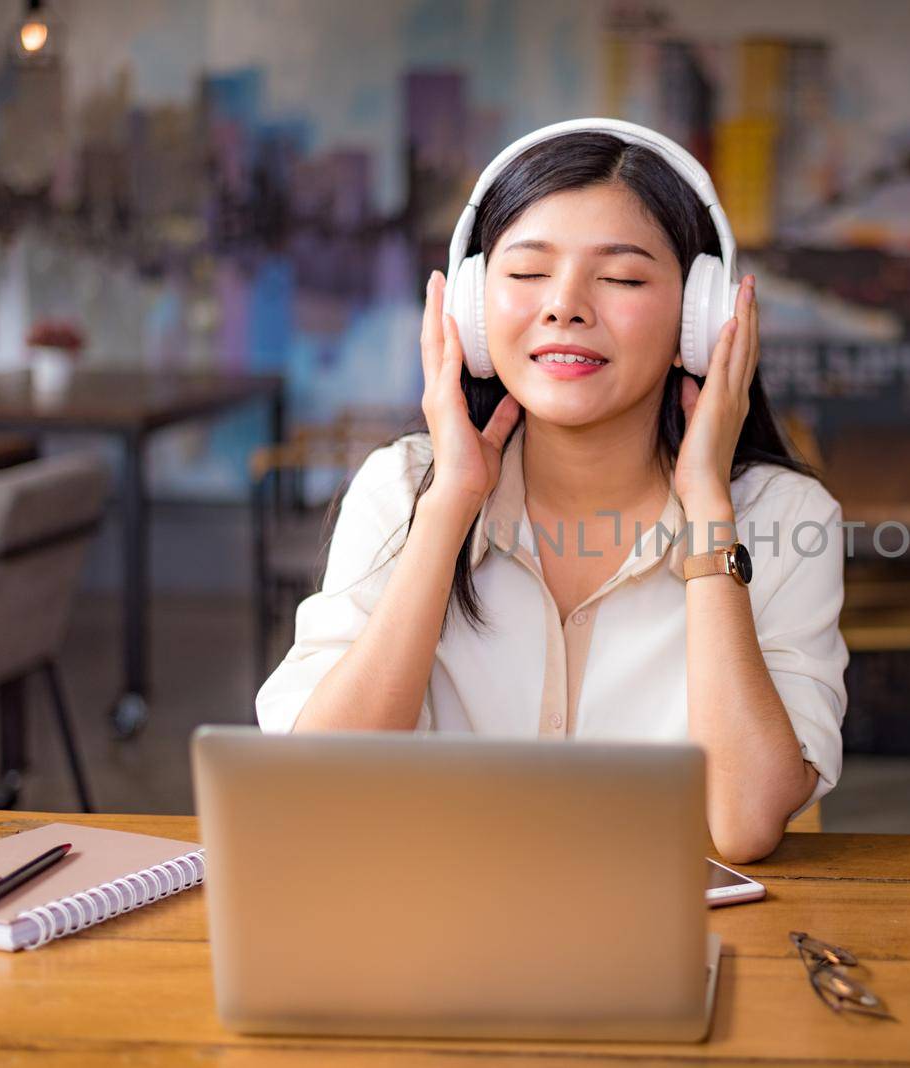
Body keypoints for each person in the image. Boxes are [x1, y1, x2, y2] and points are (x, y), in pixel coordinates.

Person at [256, 121, 847, 863]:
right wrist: (448, 509)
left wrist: (706, 512)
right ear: (471, 306)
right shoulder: (402, 489)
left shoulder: (784, 518)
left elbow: (744, 822)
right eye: (528, 273)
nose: (564, 306)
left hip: (672, 952)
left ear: (702, 321)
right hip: (427, 940)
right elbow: (321, 792)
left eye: (623, 278)